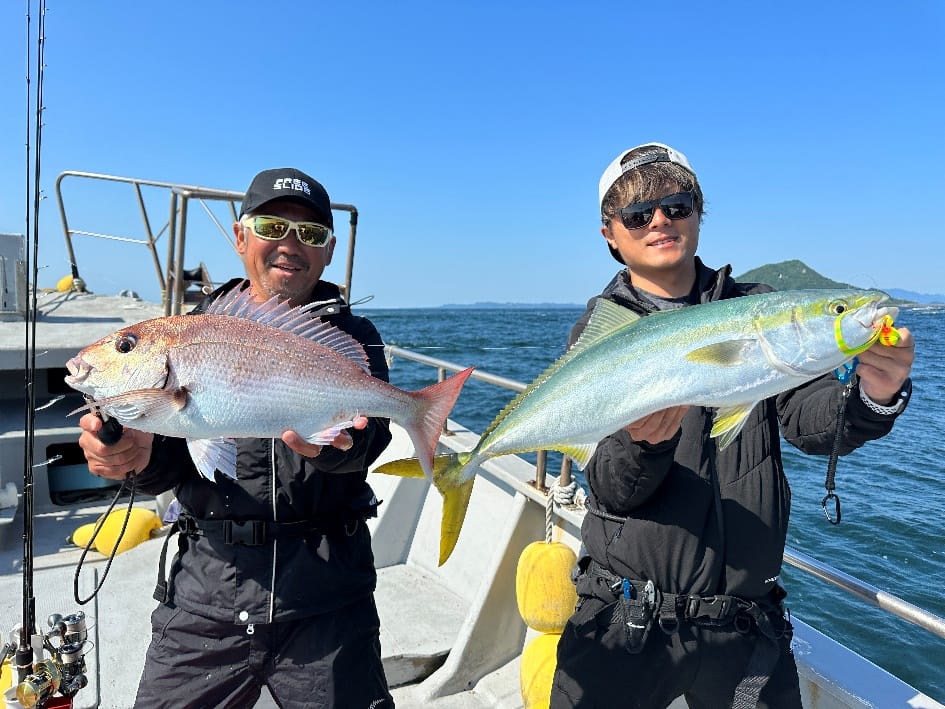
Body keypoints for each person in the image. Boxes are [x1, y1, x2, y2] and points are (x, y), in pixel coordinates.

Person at [549, 143, 916, 709]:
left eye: (677, 204)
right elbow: (611, 489)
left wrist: (876, 395)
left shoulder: (756, 308)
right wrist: (644, 447)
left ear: (699, 212)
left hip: (747, 629)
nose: (661, 222)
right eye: (638, 215)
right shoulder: (599, 338)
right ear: (610, 234)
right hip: (626, 618)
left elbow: (811, 423)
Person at [77, 168, 396, 708]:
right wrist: (133, 457)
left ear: (329, 251)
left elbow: (371, 441)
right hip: (208, 592)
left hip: (326, 598)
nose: (291, 244)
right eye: (274, 225)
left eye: (312, 234)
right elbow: (173, 463)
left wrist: (344, 449)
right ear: (241, 236)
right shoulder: (195, 331)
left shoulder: (352, 337)